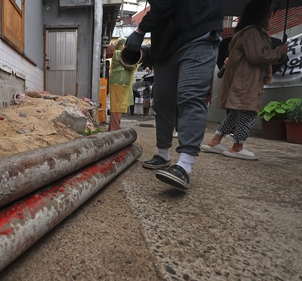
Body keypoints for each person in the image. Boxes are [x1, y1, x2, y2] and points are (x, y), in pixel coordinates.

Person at [124, 0, 223, 189]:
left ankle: (184, 165)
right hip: (166, 48)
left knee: (190, 97)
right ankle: (163, 154)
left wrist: (140, 31)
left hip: (197, 34)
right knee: (162, 103)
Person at [201, 0, 288, 160]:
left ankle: (215, 141)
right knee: (248, 112)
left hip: (241, 78)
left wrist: (278, 54)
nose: (270, 14)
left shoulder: (244, 32)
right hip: (247, 80)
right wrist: (277, 52)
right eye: (268, 11)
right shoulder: (254, 33)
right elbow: (257, 56)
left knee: (235, 113)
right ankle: (237, 146)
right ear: (260, 13)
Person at [108, 38, 136, 131]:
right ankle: (115, 128)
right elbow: (129, 65)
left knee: (118, 107)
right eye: (124, 45)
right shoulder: (118, 54)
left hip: (122, 84)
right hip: (117, 83)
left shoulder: (121, 54)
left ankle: (114, 127)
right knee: (116, 107)